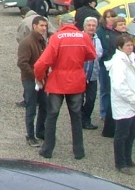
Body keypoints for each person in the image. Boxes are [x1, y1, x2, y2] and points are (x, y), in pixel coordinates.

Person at [34, 16, 97, 160]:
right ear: (75, 23)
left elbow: (43, 62)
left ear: (61, 23)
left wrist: (39, 77)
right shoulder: (83, 37)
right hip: (76, 82)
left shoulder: (56, 38)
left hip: (57, 82)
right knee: (76, 117)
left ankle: (47, 150)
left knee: (52, 116)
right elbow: (92, 55)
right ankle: (78, 151)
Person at [108, 34, 135, 174]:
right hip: (124, 103)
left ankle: (128, 159)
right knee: (122, 134)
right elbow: (119, 86)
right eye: (127, 45)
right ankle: (120, 163)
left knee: (132, 132)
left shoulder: (130, 59)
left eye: (131, 45)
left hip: (131, 104)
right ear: (119, 48)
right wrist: (132, 98)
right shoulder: (118, 63)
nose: (131, 47)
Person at [17, 15, 48, 145]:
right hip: (30, 80)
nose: (44, 28)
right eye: (41, 26)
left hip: (41, 79)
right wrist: (36, 77)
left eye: (45, 26)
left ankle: (40, 131)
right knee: (31, 109)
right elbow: (22, 63)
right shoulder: (27, 42)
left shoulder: (42, 40)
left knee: (45, 105)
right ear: (34, 26)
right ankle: (30, 136)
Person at [81, 17, 103, 130]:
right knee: (79, 99)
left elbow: (98, 54)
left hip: (93, 75)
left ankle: (86, 119)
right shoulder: (79, 38)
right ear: (84, 27)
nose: (91, 27)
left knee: (91, 99)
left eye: (93, 26)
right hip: (80, 75)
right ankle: (79, 119)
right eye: (89, 25)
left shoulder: (97, 40)